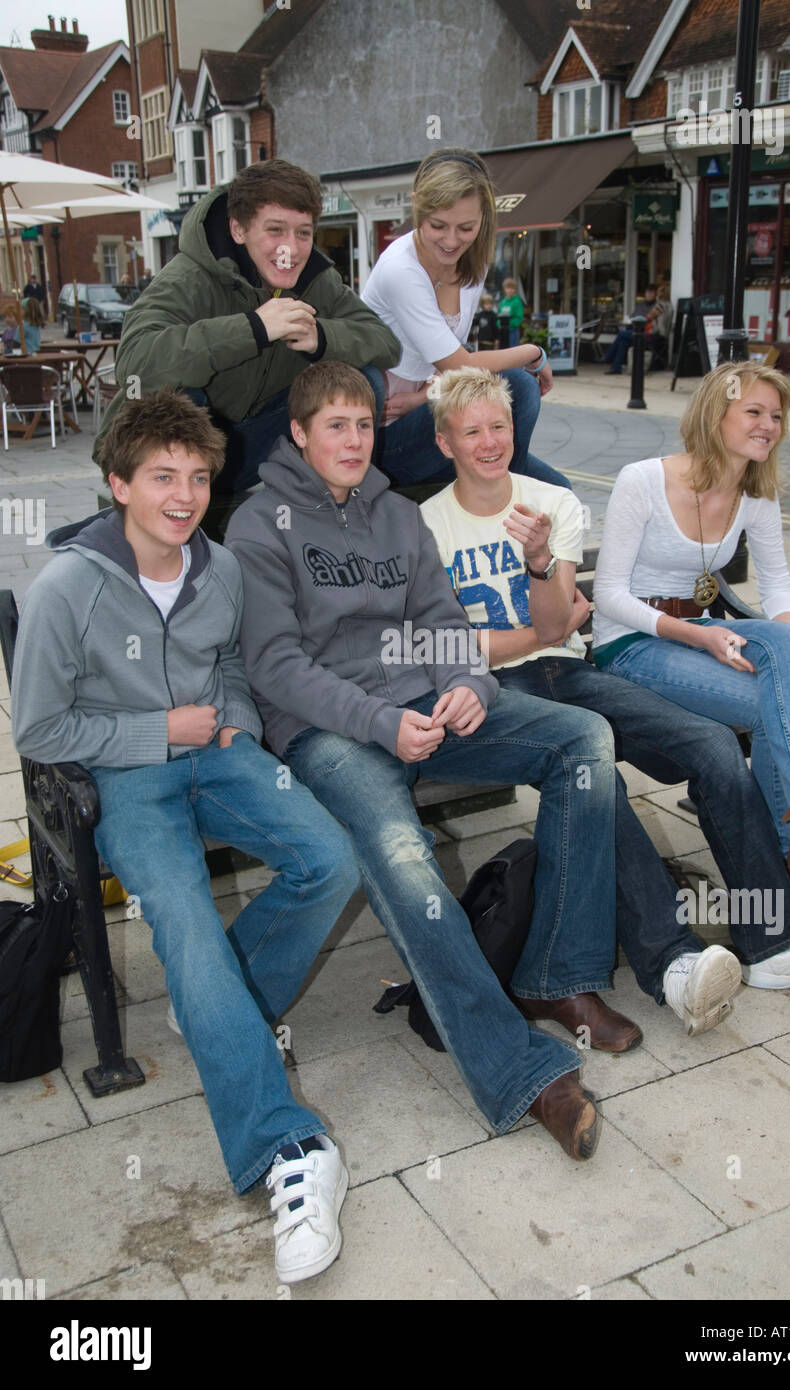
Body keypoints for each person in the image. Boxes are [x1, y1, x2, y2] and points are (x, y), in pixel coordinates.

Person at [226, 359, 639, 1165]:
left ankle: (557, 969)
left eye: (365, 424)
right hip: (331, 731)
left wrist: (467, 684)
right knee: (406, 858)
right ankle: (522, 1073)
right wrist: (383, 721)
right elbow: (276, 666)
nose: (353, 440)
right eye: (335, 425)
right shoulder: (257, 525)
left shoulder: (396, 516)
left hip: (427, 705)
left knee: (583, 741)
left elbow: (444, 620)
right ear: (300, 434)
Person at [11, 387, 362, 1286]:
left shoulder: (221, 567)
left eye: (199, 477)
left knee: (330, 859)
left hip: (220, 750)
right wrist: (159, 734)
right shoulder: (67, 591)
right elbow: (41, 733)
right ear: (117, 483)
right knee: (188, 932)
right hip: (130, 778)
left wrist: (234, 719)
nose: (184, 495)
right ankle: (287, 1150)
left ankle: (220, 1007)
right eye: (162, 476)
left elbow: (235, 664)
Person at [421, 366, 790, 1001]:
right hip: (489, 686)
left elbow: (560, 627)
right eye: (472, 432)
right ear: (445, 444)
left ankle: (780, 942)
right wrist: (538, 633)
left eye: (500, 425)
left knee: (715, 745)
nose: (490, 441)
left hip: (570, 668)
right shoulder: (424, 526)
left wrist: (542, 564)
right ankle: (672, 958)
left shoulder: (552, 503)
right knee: (589, 765)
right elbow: (451, 645)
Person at [593, 360, 790, 949]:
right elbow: (609, 595)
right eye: (754, 411)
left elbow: (778, 589)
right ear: (716, 414)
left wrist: (789, 646)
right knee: (781, 710)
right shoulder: (642, 480)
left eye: (776, 415)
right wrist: (701, 635)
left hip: (702, 632)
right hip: (631, 642)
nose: (769, 424)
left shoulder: (755, 493)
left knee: (787, 671)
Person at [96, 160, 400, 494]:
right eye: (275, 230)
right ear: (239, 230)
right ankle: (172, 516)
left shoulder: (318, 280)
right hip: (154, 459)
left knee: (365, 378)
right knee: (179, 393)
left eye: (303, 233)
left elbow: (385, 343)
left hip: (245, 447)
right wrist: (253, 328)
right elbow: (134, 364)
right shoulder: (189, 277)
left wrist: (321, 336)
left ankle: (335, 510)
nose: (291, 249)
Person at [361, 147, 570, 490]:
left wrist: (423, 397)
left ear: (483, 218)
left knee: (560, 492)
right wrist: (534, 352)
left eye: (466, 227)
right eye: (437, 225)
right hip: (388, 441)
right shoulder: (401, 269)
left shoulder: (473, 260)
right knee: (519, 385)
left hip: (428, 407)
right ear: (417, 206)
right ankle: (502, 497)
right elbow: (462, 367)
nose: (451, 240)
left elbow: (448, 370)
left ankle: (502, 489)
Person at [603, 285, 666, 376]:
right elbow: (633, 316)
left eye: (651, 293)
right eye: (647, 293)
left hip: (649, 334)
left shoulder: (659, 306)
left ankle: (608, 357)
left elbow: (647, 319)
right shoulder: (642, 305)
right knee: (623, 342)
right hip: (642, 331)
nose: (648, 295)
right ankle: (616, 367)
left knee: (622, 334)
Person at [497, 276, 524, 347]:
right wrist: (499, 324)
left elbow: (519, 317)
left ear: (515, 289)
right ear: (504, 289)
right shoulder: (502, 302)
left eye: (512, 288)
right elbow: (498, 316)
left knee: (513, 350)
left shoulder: (517, 302)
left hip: (512, 331)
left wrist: (510, 324)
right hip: (503, 331)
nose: (510, 290)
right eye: (508, 288)